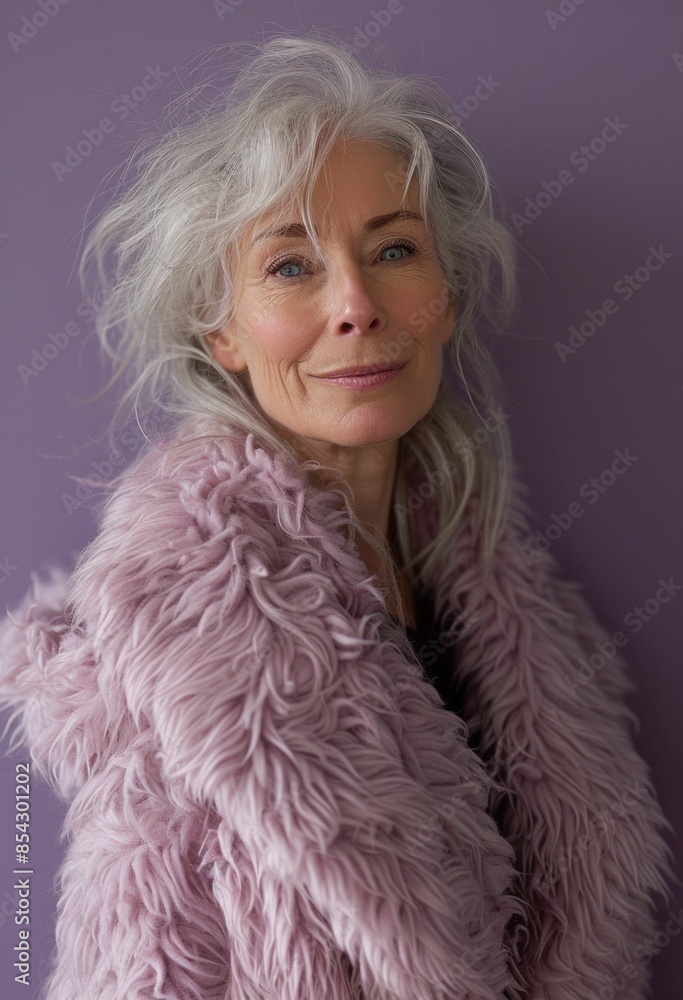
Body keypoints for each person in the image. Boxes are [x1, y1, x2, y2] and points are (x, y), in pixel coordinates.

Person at [0, 32, 676, 1000]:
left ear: (442, 299)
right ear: (220, 328)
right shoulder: (165, 653)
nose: (355, 303)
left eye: (392, 250)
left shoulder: (531, 622)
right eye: (289, 267)